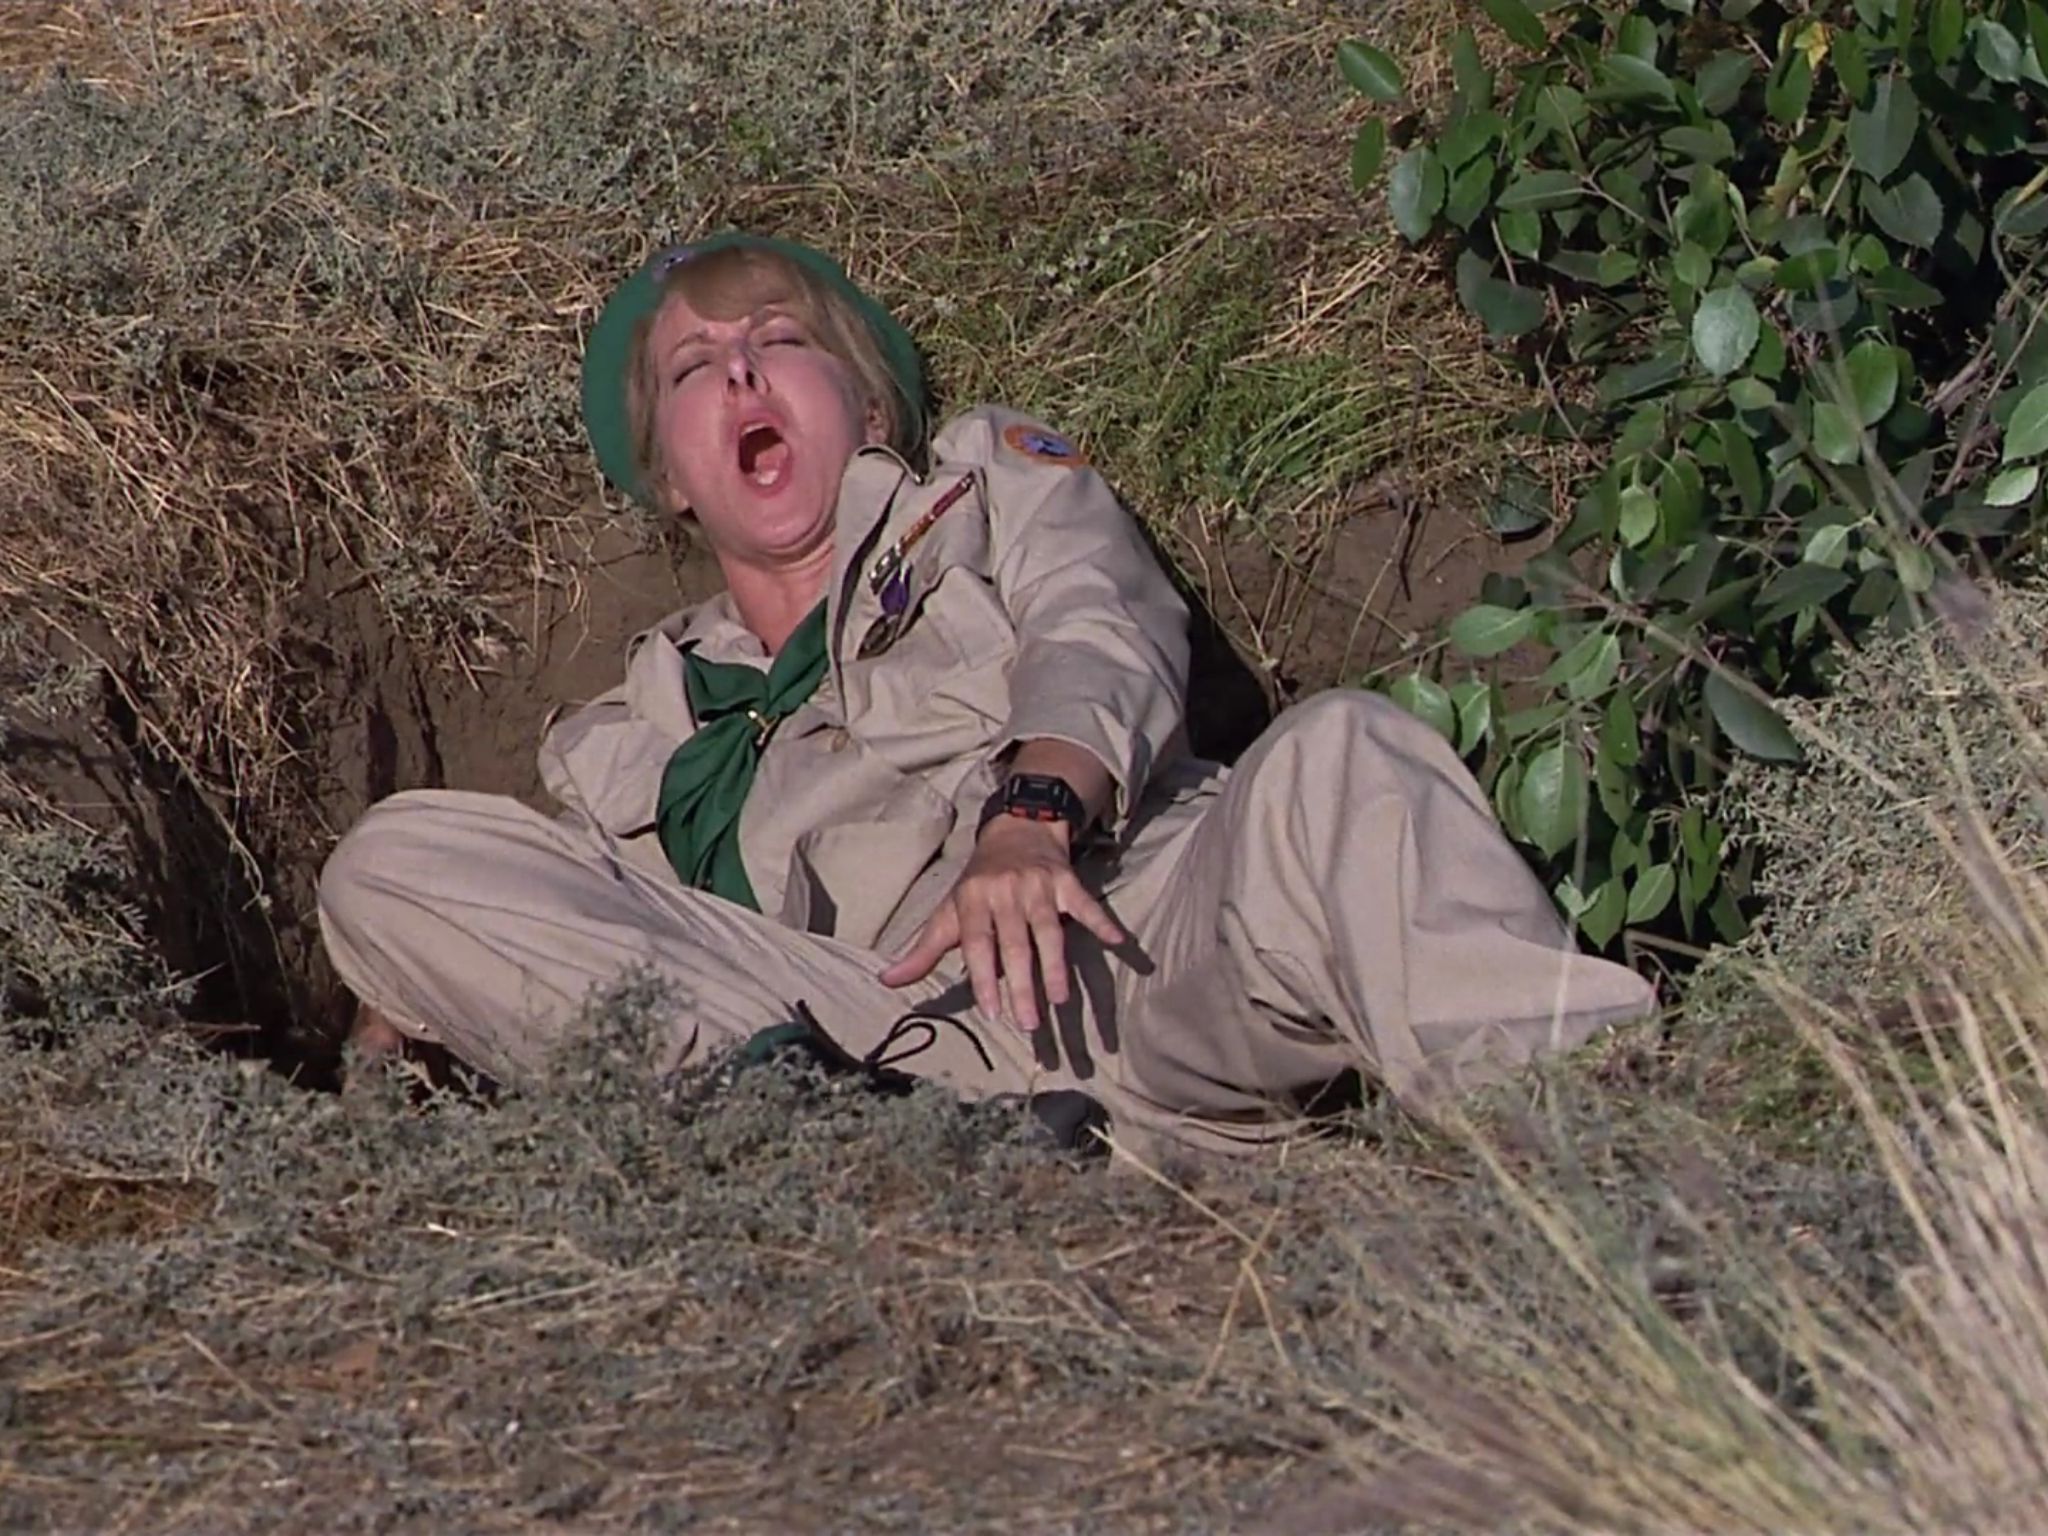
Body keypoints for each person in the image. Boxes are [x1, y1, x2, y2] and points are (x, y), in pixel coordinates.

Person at [316, 230, 1656, 1156]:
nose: (739, 373)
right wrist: (409, 998)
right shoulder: (628, 734)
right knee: (392, 865)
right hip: (867, 1046)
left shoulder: (978, 485)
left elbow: (1098, 618)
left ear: (865, 405)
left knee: (1346, 754)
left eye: (777, 340)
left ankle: (1602, 1142)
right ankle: (851, 1154)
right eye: (692, 367)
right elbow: (571, 941)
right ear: (668, 472)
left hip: (1122, 947)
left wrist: (1033, 813)